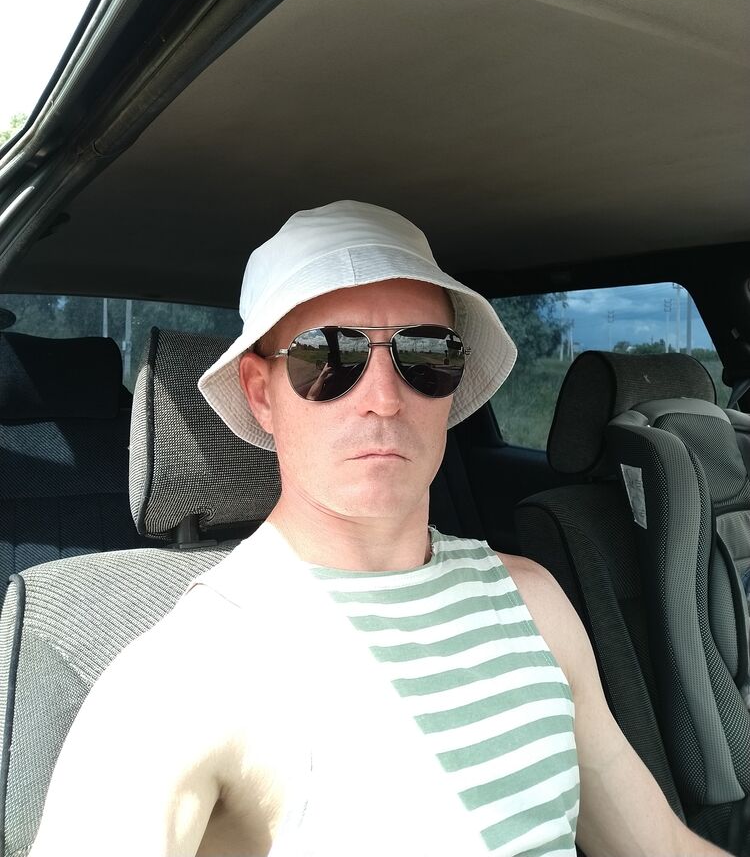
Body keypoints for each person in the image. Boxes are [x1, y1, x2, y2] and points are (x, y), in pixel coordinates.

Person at [30, 201, 728, 857]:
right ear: (260, 393)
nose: (385, 399)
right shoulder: (184, 677)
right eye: (329, 357)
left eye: (426, 354)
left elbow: (661, 847)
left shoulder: (533, 600)